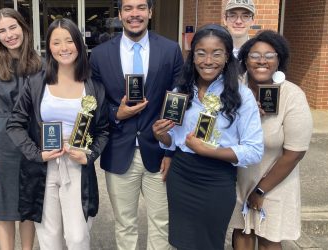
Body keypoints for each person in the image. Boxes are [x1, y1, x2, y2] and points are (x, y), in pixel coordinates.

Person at [152, 24, 264, 250]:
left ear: (226, 58)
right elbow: (174, 139)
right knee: (182, 243)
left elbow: (254, 150)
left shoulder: (241, 96)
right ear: (192, 57)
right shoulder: (181, 90)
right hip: (182, 175)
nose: (208, 60)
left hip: (216, 178)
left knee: (209, 244)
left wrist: (208, 151)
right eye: (201, 53)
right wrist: (161, 135)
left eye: (216, 53)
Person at [6, 18, 109, 250]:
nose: (64, 48)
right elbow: (15, 123)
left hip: (77, 162)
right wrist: (36, 154)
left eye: (70, 41)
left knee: (77, 237)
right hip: (44, 165)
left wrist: (89, 155)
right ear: (49, 48)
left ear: (79, 45)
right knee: (49, 238)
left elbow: (103, 130)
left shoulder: (93, 87)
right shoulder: (36, 84)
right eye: (56, 42)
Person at [89, 0, 183, 249]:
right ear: (120, 14)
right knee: (124, 223)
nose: (134, 14)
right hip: (119, 150)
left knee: (161, 223)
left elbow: (181, 97)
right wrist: (116, 113)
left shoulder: (170, 50)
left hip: (159, 152)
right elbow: (94, 103)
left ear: (150, 12)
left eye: (141, 7)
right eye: (128, 8)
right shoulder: (99, 55)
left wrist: (172, 149)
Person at [229, 30, 313, 250]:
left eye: (269, 55)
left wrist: (261, 190)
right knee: (242, 230)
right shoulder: (234, 91)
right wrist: (244, 115)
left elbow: (295, 153)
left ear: (279, 60)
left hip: (275, 180)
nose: (262, 61)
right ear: (245, 61)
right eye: (255, 56)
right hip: (239, 179)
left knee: (268, 237)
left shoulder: (292, 95)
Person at [0, 8, 41, 250]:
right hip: (3, 144)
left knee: (28, 205)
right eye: (1, 31)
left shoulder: (41, 64)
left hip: (32, 140)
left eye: (12, 27)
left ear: (23, 28)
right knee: (4, 209)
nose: (9, 34)